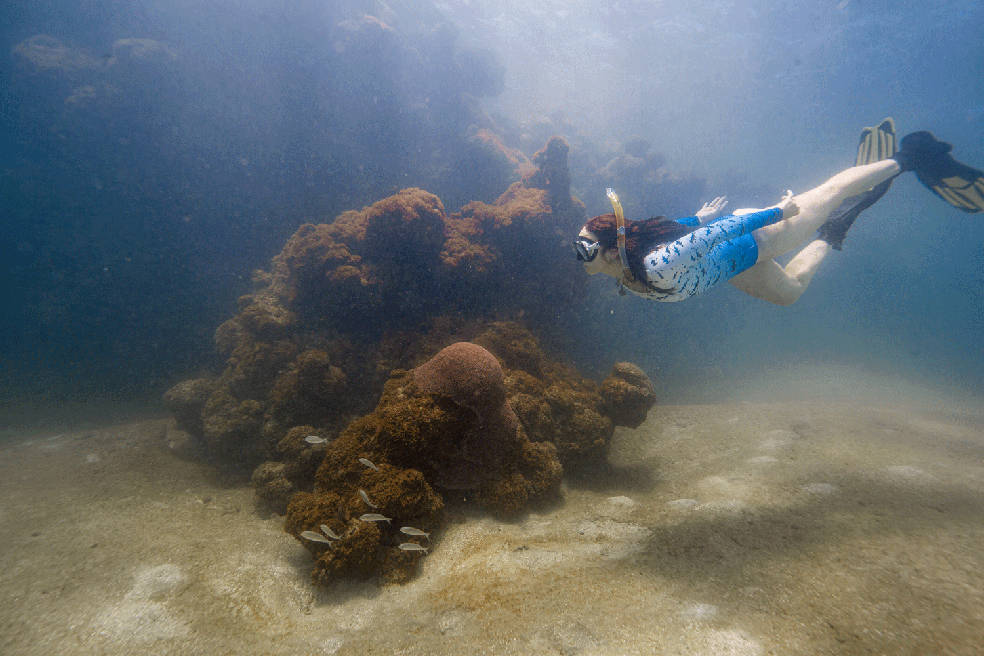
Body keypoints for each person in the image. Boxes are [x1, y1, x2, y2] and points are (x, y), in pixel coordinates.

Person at [573, 119, 984, 305]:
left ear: (608, 251)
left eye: (583, 248)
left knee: (832, 191)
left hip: (757, 234)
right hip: (731, 264)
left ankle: (911, 156)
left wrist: (778, 212)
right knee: (788, 294)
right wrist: (695, 219)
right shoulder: (628, 267)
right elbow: (652, 230)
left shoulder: (655, 266)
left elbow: (720, 232)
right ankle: (834, 231)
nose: (578, 254)